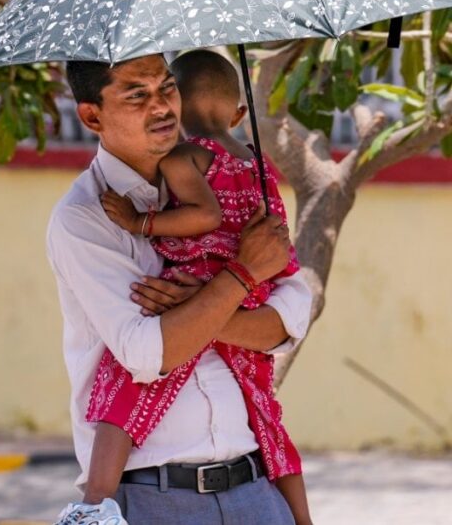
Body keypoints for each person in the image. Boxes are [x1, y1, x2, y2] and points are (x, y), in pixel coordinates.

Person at [46, 54, 312, 525]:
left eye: (167, 88)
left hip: (255, 489)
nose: (162, 106)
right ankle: (90, 511)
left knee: (272, 419)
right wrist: (241, 280)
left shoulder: (216, 169)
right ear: (91, 116)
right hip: (154, 499)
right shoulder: (86, 217)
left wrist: (203, 308)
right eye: (137, 95)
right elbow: (148, 352)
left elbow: (290, 313)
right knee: (126, 385)